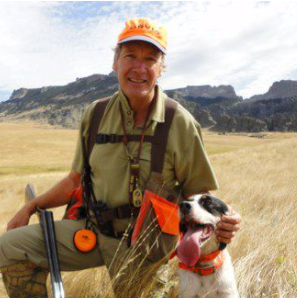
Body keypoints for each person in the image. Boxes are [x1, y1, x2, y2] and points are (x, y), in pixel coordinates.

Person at [0, 18, 241, 298]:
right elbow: (74, 180)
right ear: (115, 63)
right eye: (130, 56)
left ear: (161, 69)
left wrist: (222, 223)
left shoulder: (181, 123)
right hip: (91, 231)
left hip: (146, 249)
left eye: (150, 59)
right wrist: (31, 206)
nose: (139, 68)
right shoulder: (95, 115)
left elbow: (198, 195)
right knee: (10, 247)